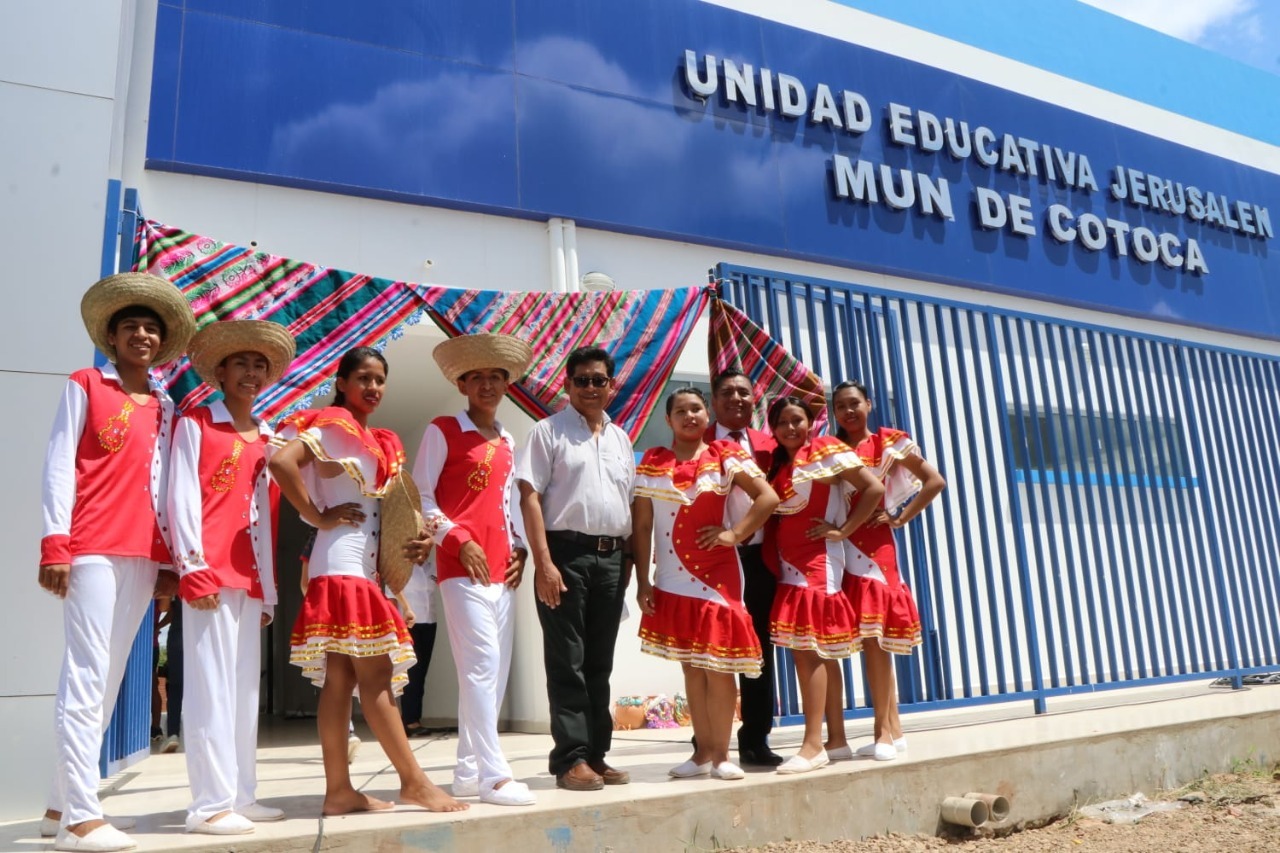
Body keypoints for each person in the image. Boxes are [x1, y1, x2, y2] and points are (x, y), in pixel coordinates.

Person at [267, 346, 465, 816]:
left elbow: (388, 511)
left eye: (380, 380)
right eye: (363, 378)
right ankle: (414, 782)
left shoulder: (371, 437)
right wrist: (316, 515)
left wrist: (409, 547)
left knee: (339, 681)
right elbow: (280, 464)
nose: (373, 388)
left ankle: (339, 791)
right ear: (341, 381)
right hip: (341, 566)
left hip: (352, 567)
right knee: (377, 677)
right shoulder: (333, 424)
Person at [38, 272, 195, 852]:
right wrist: (56, 543)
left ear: (162, 343)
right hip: (90, 548)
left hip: (143, 555)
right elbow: (59, 465)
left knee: (106, 679)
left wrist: (171, 562)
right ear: (111, 336)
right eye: (130, 325)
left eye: (151, 328)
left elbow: (166, 486)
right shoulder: (86, 384)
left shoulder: (166, 404)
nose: (141, 335)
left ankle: (59, 804)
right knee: (84, 675)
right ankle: (81, 815)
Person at [167, 319, 296, 834]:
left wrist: (267, 587)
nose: (251, 372)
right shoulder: (196, 422)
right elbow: (178, 498)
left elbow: (267, 514)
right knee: (208, 689)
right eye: (241, 362)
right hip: (209, 574)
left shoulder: (268, 437)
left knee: (244, 691)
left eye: (259, 365)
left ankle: (241, 794)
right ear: (220, 371)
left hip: (250, 579)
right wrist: (191, 566)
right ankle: (208, 805)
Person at [633, 388, 779, 781]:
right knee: (692, 669)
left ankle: (722, 754)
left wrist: (735, 534)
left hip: (717, 575)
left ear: (706, 414)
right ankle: (701, 755)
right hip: (670, 577)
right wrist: (642, 580)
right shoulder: (652, 461)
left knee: (719, 667)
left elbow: (767, 498)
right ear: (668, 421)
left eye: (696, 408)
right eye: (680, 411)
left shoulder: (724, 456)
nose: (689, 416)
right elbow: (643, 524)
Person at [415, 332, 535, 806]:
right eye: (477, 378)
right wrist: (458, 540)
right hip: (460, 569)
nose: (487, 385)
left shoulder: (508, 439)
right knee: (481, 667)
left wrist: (521, 549)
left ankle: (467, 771)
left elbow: (509, 504)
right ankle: (494, 775)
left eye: (496, 377)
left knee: (491, 671)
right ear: (463, 384)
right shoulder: (442, 429)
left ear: (506, 383)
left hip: (502, 570)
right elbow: (422, 496)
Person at [517, 345, 635, 792]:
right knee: (568, 661)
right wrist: (543, 562)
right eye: (582, 380)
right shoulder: (547, 433)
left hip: (611, 559)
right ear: (567, 385)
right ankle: (570, 760)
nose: (590, 387)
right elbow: (529, 497)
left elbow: (630, 506)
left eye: (598, 380)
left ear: (610, 386)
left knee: (599, 664)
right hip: (564, 555)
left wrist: (629, 562)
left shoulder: (621, 438)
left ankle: (596, 755)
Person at [824, 380, 945, 762]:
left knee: (876, 642)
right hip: (840, 549)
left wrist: (899, 517)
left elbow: (934, 481)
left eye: (854, 403)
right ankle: (893, 729)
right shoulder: (831, 449)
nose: (848, 411)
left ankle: (884, 733)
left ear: (868, 404)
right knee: (861, 641)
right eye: (840, 406)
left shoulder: (887, 442)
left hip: (876, 550)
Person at [764, 396, 884, 774]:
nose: (790, 428)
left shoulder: (825, 449)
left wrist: (844, 530)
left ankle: (812, 744)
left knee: (809, 651)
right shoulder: (782, 464)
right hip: (788, 565)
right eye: (782, 422)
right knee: (820, 654)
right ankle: (837, 740)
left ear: (811, 422)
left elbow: (873, 489)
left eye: (797, 420)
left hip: (816, 564)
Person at [705, 369, 783, 766]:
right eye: (727, 392)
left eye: (744, 392)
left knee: (759, 650)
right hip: (710, 561)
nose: (736, 398)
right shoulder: (696, 440)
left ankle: (756, 737)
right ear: (713, 401)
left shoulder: (771, 446)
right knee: (709, 650)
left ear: (755, 401)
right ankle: (708, 738)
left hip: (757, 559)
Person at [395, 550, 438, 739]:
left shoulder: (430, 567)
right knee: (412, 671)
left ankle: (414, 717)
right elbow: (391, 595)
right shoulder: (401, 567)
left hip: (429, 621)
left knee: (422, 671)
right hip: (408, 624)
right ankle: (409, 720)